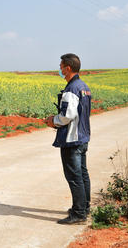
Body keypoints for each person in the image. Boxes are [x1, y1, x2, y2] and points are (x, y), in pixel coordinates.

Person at [44, 53, 92, 225]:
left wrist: (52, 121)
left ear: (68, 68)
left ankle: (78, 214)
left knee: (74, 176)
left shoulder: (71, 89)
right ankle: (84, 208)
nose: (60, 69)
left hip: (72, 138)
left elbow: (67, 115)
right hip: (83, 136)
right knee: (83, 174)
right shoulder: (83, 86)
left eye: (61, 66)